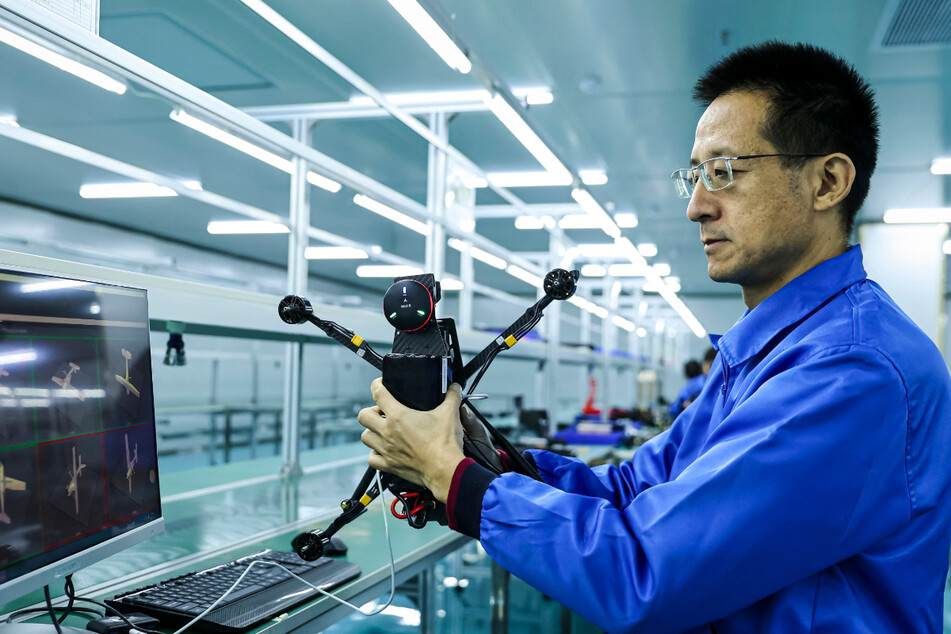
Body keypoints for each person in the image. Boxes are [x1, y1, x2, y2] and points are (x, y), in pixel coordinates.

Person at [357, 41, 951, 632]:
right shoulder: (761, 354)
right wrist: (485, 455)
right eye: (693, 175)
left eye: (724, 172)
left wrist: (454, 479)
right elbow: (633, 489)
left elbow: (645, 571)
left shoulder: (853, 372)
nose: (696, 206)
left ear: (828, 182)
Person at [669, 347, 717, 419]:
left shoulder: (721, 385)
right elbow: (676, 407)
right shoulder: (694, 384)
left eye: (711, 365)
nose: (707, 368)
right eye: (706, 364)